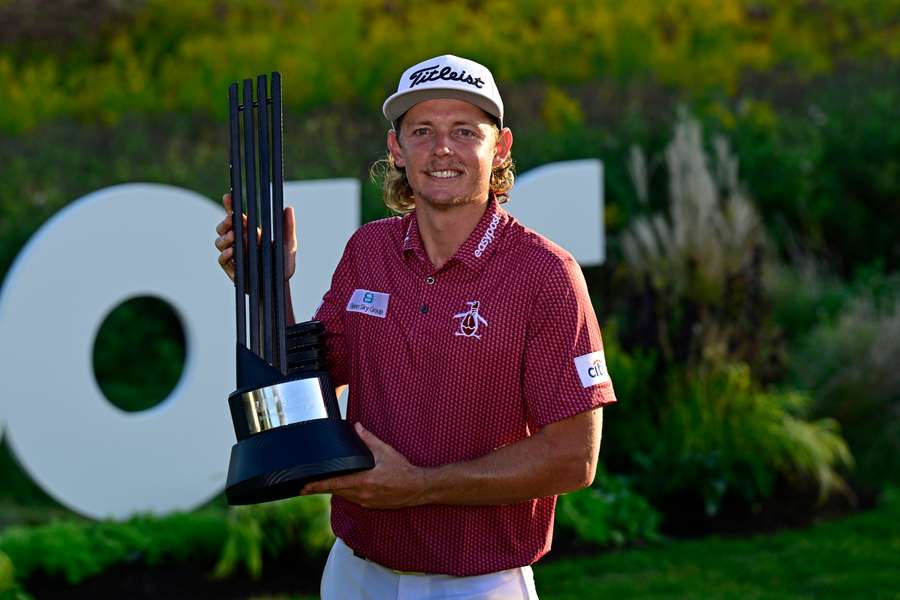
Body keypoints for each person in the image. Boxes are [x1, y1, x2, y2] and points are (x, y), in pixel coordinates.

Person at [214, 54, 617, 599]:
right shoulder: (368, 251)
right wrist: (269, 284)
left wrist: (422, 487)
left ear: (499, 147)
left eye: (463, 131)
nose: (442, 149)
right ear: (396, 149)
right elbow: (309, 392)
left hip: (477, 584)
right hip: (354, 573)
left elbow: (574, 458)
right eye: (422, 131)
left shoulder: (545, 275)